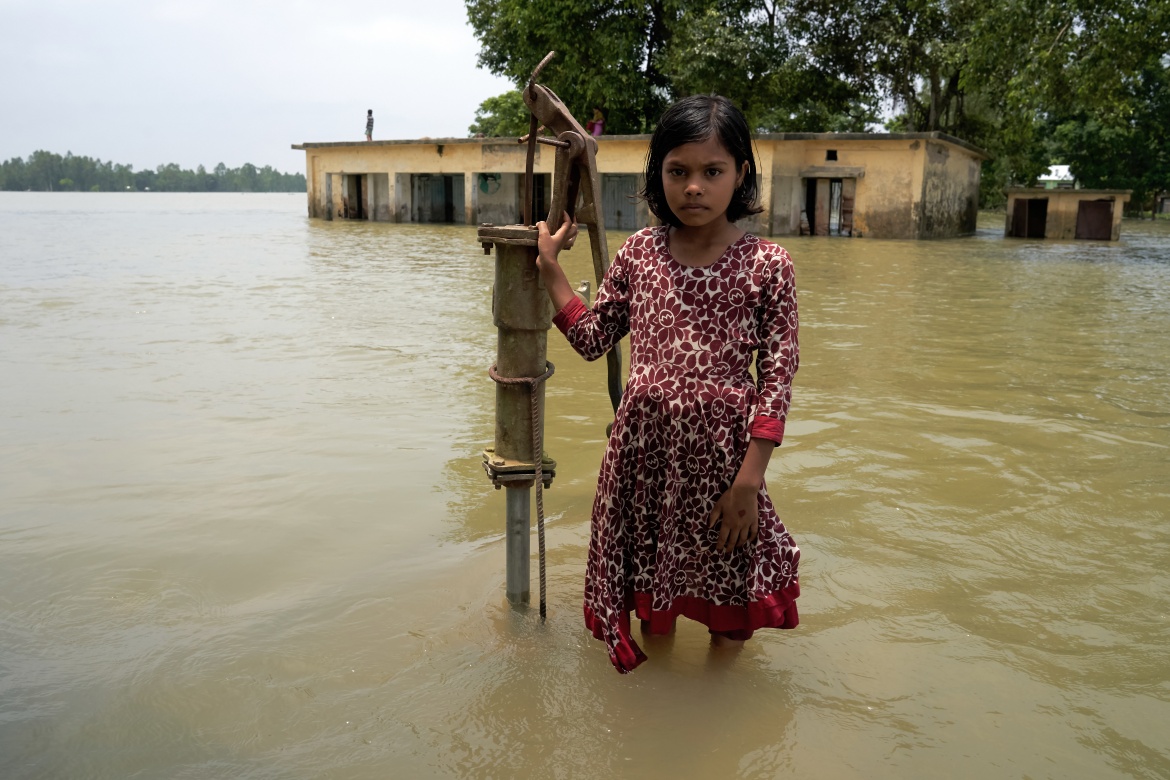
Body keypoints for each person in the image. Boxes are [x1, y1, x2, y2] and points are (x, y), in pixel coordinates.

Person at [535, 94, 801, 674]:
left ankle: (712, 711)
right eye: (678, 172)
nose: (694, 188)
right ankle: (657, 715)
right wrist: (551, 271)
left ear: (741, 175)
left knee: (731, 598)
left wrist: (748, 484)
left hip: (725, 467)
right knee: (653, 598)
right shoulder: (640, 254)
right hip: (643, 461)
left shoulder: (768, 265)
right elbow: (592, 339)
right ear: (659, 175)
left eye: (712, 172)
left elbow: (777, 379)